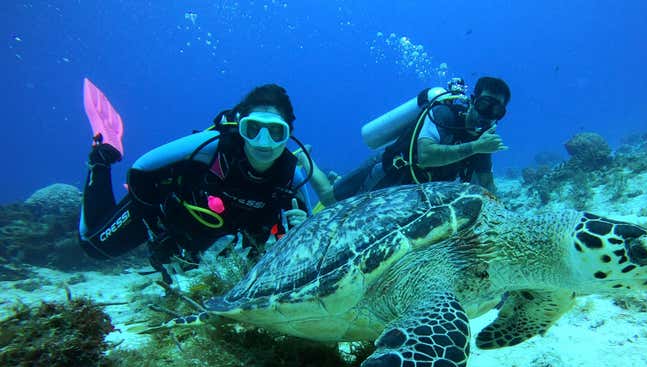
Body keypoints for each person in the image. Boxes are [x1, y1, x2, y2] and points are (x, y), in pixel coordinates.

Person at [79, 84, 322, 282]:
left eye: (276, 132)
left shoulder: (292, 178)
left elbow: (311, 238)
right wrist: (156, 228)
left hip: (209, 235)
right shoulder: (213, 147)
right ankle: (103, 153)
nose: (263, 142)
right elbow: (141, 169)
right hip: (164, 211)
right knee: (94, 247)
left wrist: (299, 229)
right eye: (253, 129)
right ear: (240, 127)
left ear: (288, 134)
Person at [331, 76, 511, 201]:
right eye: (484, 104)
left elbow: (486, 184)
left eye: (497, 111)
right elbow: (426, 155)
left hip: (418, 194)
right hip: (390, 172)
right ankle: (305, 160)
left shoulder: (482, 142)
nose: (487, 114)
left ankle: (337, 177)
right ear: (473, 100)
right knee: (331, 201)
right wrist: (475, 147)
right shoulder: (444, 114)